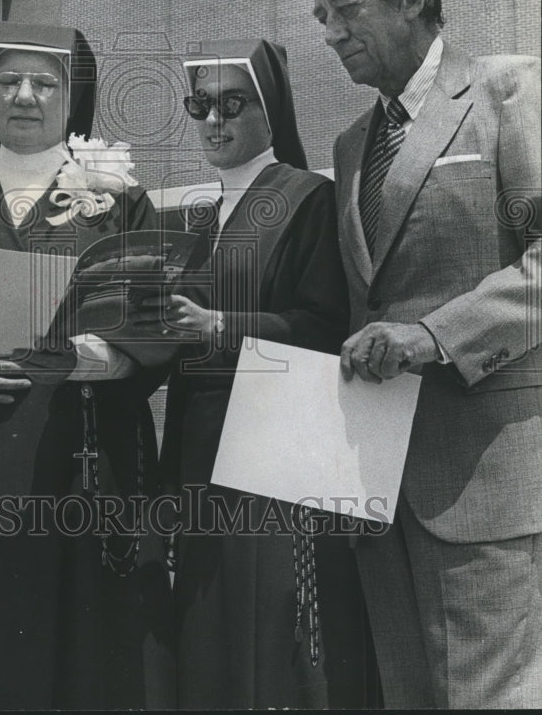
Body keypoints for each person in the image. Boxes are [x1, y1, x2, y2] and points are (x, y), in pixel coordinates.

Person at [0, 21, 175, 711]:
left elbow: (158, 333)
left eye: (44, 83)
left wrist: (84, 358)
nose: (24, 95)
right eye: (6, 79)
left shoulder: (117, 203)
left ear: (73, 98)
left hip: (79, 473)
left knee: (83, 663)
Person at [308, 0, 542, 709]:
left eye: (343, 9)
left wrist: (431, 336)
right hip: (378, 485)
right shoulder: (348, 146)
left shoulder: (510, 91)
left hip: (487, 480)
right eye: (320, 20)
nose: (331, 33)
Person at [147, 38, 375, 710]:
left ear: (269, 110)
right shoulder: (200, 215)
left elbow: (323, 326)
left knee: (269, 634)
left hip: (272, 452)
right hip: (197, 446)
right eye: (199, 105)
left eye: (231, 104)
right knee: (206, 632)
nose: (212, 121)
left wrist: (221, 327)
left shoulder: (307, 197)